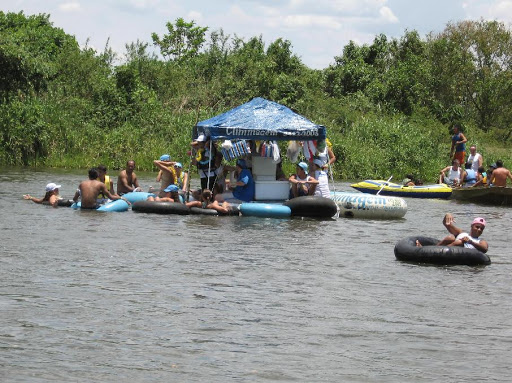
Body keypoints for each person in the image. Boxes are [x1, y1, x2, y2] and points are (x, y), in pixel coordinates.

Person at [417, 213, 488, 253]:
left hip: (464, 254)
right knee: (450, 237)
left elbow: (484, 249)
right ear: (472, 226)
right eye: (477, 227)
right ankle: (426, 250)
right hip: (448, 251)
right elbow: (446, 224)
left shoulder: (481, 241)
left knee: (459, 243)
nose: (479, 229)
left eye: (481, 228)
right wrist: (447, 215)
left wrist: (470, 242)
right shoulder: (461, 233)